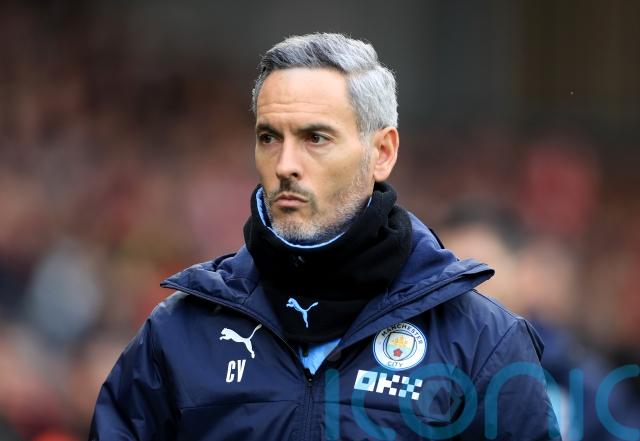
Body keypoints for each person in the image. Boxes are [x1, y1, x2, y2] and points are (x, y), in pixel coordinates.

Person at [89, 33, 560, 440]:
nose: (285, 165)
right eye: (269, 137)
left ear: (382, 152)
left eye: (315, 138)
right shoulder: (179, 332)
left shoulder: (479, 340)